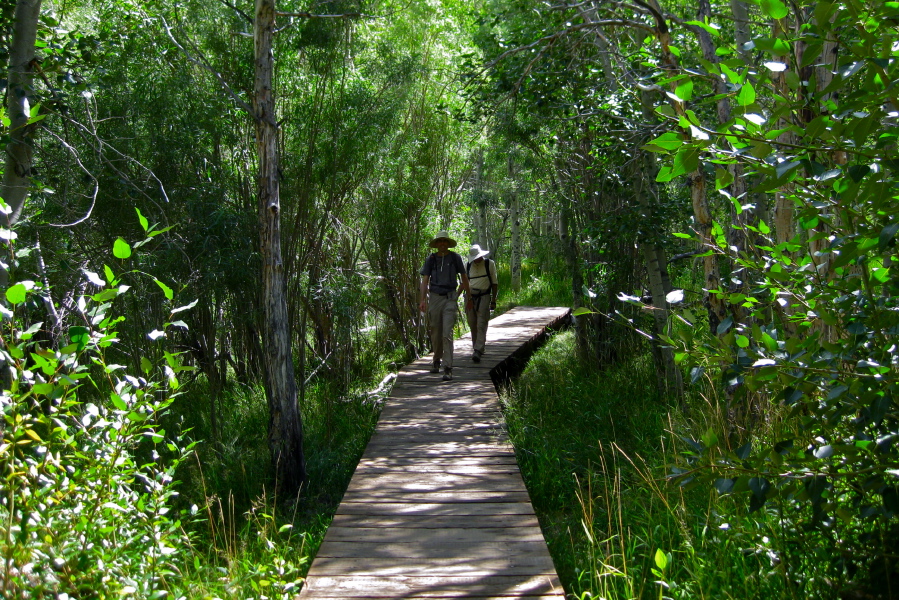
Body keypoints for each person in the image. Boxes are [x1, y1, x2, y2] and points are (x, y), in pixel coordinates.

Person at [419, 231, 472, 381]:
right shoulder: (431, 259)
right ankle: (436, 360)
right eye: (439, 241)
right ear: (436, 244)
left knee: (447, 333)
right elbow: (425, 281)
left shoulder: (455, 258)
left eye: (445, 241)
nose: (442, 243)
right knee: (435, 331)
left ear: (448, 243)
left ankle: (448, 367)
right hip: (435, 298)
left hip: (450, 298)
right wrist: (422, 300)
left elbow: (464, 278)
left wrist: (468, 297)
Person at [463, 244, 498, 363]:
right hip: (470, 297)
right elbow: (464, 283)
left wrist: (493, 300)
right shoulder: (467, 265)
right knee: (472, 323)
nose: (476, 260)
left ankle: (478, 350)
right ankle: (476, 348)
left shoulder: (490, 264)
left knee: (481, 322)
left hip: (484, 296)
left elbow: (494, 283)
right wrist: (457, 297)